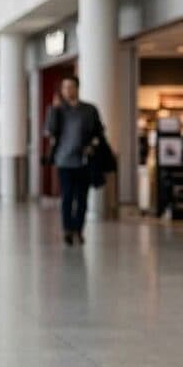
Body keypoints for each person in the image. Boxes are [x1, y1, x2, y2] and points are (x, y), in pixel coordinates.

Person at [45, 74, 107, 245]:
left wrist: (92, 146)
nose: (67, 90)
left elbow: (99, 133)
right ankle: (67, 229)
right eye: (64, 87)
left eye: (70, 87)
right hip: (64, 160)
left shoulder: (89, 110)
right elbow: (50, 131)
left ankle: (78, 230)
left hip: (84, 160)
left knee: (82, 198)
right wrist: (54, 111)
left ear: (77, 88)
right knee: (67, 197)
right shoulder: (57, 110)